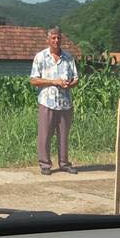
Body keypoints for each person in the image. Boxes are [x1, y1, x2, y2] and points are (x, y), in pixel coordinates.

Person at [30, 26, 79, 175]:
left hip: (65, 102)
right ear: (48, 40)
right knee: (45, 134)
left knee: (63, 135)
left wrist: (69, 84)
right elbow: (33, 80)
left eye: (58, 38)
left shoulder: (69, 58)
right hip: (47, 102)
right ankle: (45, 164)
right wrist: (54, 82)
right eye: (53, 38)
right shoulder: (40, 57)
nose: (56, 40)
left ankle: (64, 163)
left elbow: (76, 78)